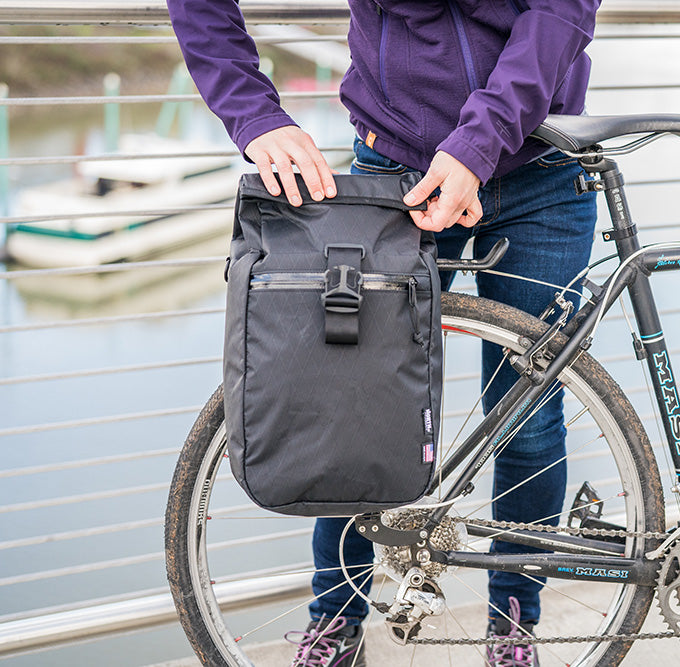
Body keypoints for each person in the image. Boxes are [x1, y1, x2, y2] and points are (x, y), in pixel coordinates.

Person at [167, 1, 601, 665]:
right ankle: (334, 626)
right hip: (394, 171)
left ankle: (513, 631)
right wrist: (253, 114)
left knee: (528, 420)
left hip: (542, 164)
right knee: (348, 407)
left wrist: (477, 143)